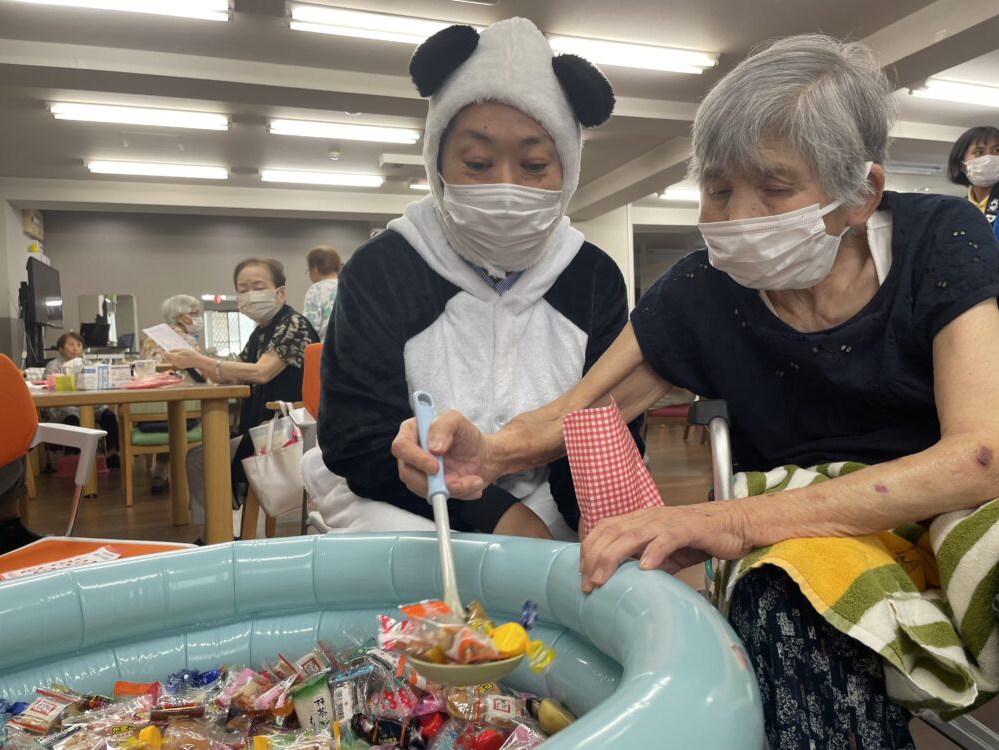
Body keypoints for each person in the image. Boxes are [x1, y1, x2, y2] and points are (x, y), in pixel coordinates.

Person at [394, 35, 999, 749]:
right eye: (716, 189)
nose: (735, 218)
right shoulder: (702, 292)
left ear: (859, 195)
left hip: (942, 507)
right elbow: (587, 409)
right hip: (804, 546)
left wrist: (731, 522)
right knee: (782, 599)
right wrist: (488, 455)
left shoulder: (941, 239)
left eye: (774, 189)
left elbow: (980, 454)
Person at [307, 17, 631, 540]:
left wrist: (601, 536)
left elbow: (607, 430)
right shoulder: (383, 269)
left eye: (533, 165)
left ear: (567, 171)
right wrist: (498, 516)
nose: (506, 188)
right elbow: (358, 440)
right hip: (404, 499)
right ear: (437, 161)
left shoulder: (592, 277)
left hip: (547, 502)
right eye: (477, 163)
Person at [163, 258, 318, 534]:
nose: (249, 295)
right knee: (198, 458)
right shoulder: (260, 333)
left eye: (257, 286)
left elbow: (261, 372)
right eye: (242, 289)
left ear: (279, 293)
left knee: (207, 460)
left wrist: (199, 359)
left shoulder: (293, 324)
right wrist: (193, 362)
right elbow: (232, 374)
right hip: (265, 428)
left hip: (291, 432)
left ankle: (221, 532)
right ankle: (216, 529)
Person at [138, 294, 203, 494]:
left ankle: (161, 470)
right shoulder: (187, 342)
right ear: (181, 317)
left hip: (147, 413)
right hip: (183, 412)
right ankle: (196, 472)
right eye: (195, 313)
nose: (198, 317)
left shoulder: (150, 339)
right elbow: (199, 374)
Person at [44, 331, 120, 468]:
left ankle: (113, 453)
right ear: (61, 349)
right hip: (63, 405)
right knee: (72, 418)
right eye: (71, 345)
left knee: (109, 416)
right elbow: (50, 385)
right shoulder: (53, 365)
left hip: (89, 404)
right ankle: (73, 456)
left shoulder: (88, 363)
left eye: (79, 345)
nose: (75, 348)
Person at [947, 125, 999, 241]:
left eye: (997, 151)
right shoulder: (957, 209)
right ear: (962, 165)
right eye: (979, 152)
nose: (989, 158)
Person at [303, 245, 341, 340]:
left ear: (314, 269)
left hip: (324, 349)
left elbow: (311, 327)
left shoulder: (316, 289)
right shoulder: (347, 285)